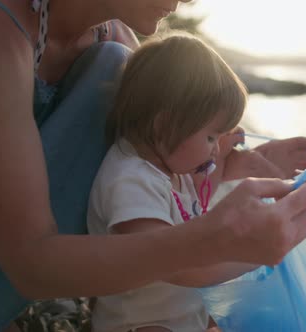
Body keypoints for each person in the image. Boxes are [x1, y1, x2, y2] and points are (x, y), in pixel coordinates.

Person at [0, 1, 306, 331]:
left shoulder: (119, 48)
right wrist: (231, 247)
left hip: (40, 277)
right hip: (73, 292)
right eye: (211, 137)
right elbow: (31, 262)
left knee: (116, 63)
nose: (188, 0)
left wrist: (244, 162)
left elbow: (175, 162)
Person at [88, 32, 264, 332]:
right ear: (164, 124)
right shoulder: (130, 181)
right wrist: (254, 255)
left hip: (180, 315)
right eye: (210, 136)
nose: (214, 147)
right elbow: (172, 264)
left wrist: (222, 155)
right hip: (141, 323)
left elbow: (195, 203)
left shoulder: (170, 167)